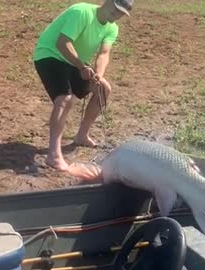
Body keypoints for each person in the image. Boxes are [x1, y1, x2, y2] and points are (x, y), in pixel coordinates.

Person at [33, 0, 133, 171]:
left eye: (121, 13)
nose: (116, 14)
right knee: (65, 99)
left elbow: (104, 53)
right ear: (107, 2)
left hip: (75, 62)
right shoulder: (82, 12)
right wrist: (81, 66)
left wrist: (99, 75)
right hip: (50, 54)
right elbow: (62, 43)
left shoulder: (112, 28)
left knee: (103, 88)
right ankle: (54, 155)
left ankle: (82, 136)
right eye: (115, 9)